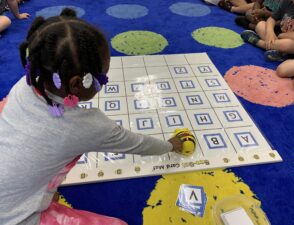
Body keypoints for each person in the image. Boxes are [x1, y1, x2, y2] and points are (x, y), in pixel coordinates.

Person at [0, 8, 188, 225]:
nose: (106, 78)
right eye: (104, 75)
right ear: (78, 84)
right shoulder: (87, 125)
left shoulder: (24, 85)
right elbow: (139, 144)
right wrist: (171, 145)